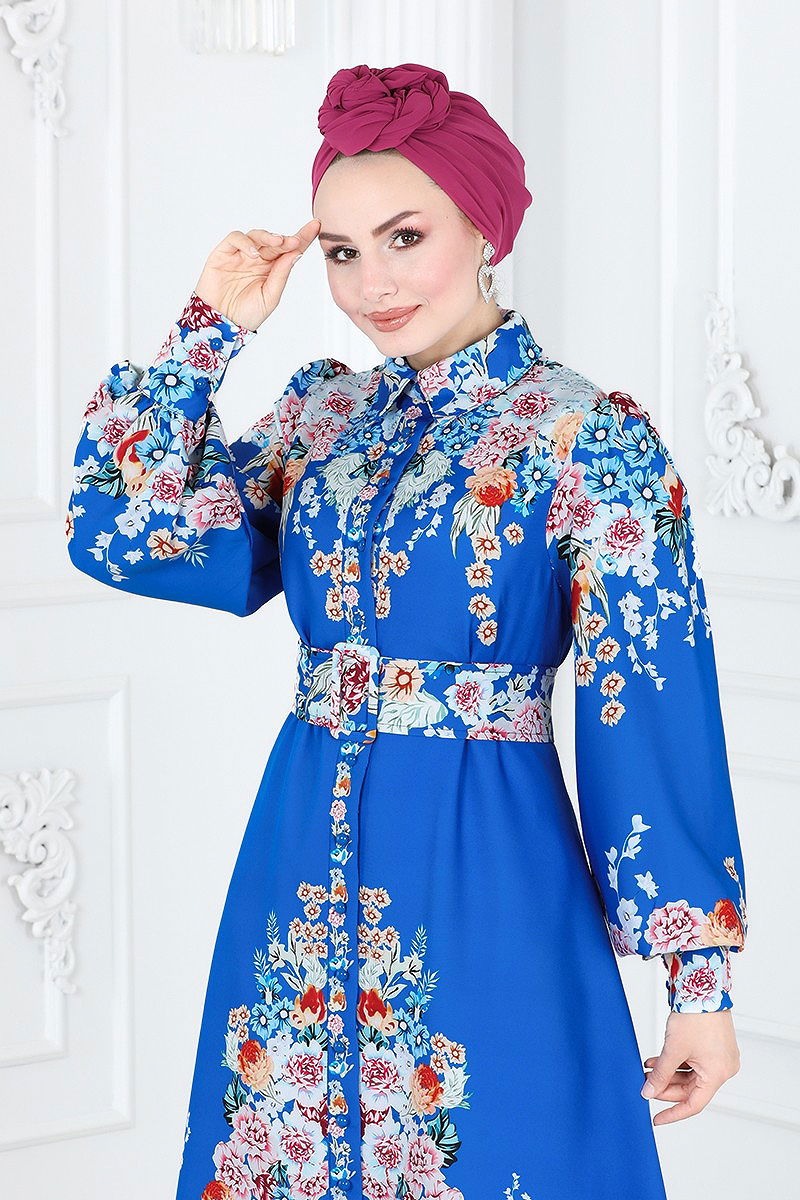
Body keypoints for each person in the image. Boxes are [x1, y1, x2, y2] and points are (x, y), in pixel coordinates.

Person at [65, 61, 747, 1200]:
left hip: (494, 875)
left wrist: (698, 989)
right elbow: (126, 533)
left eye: (403, 237)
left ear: (483, 227)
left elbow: (654, 707)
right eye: (340, 252)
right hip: (297, 876)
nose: (371, 284)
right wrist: (207, 333)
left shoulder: (589, 440)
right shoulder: (322, 416)